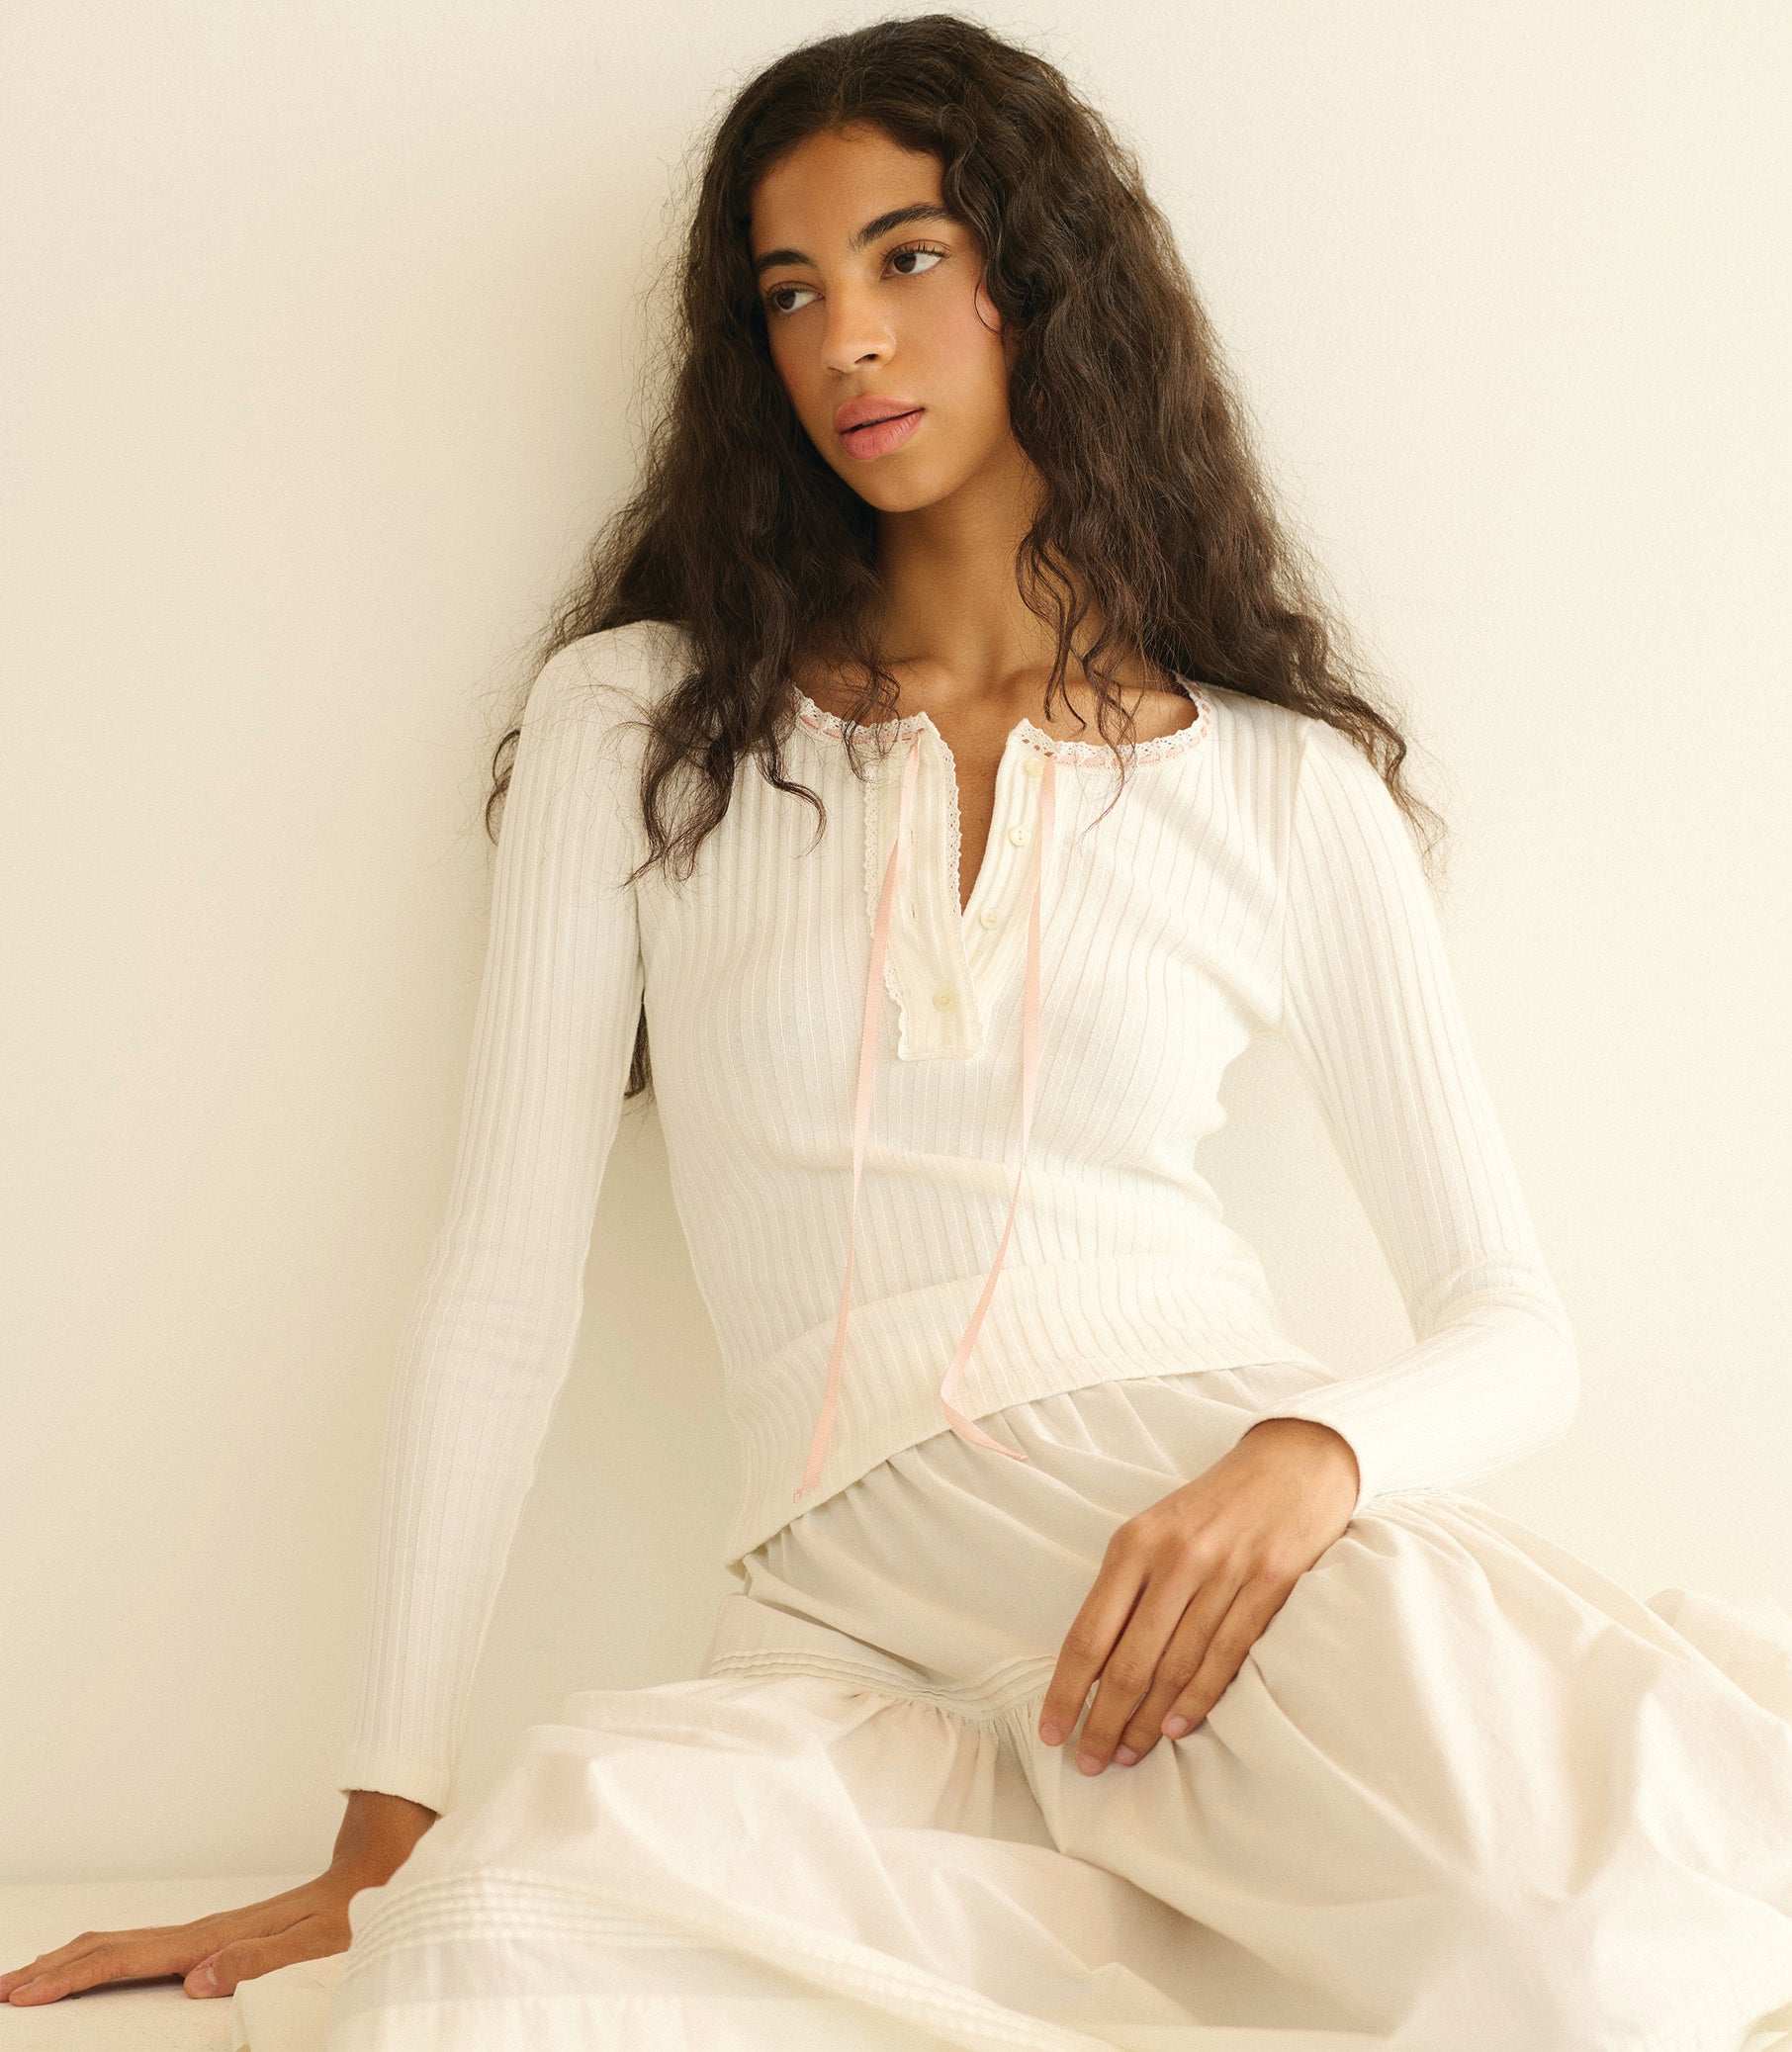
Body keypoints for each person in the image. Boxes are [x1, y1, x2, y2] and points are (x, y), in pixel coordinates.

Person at [9, 15, 1792, 2046]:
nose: (845, 335)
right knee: (494, 1957)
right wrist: (373, 1834)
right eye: (790, 292)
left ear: (1046, 286)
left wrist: (1311, 1458)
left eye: (907, 257)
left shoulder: (1283, 785)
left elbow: (1510, 1314)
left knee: (1566, 1961)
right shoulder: (643, 727)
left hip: (1192, 1562)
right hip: (847, 1625)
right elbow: (502, 1289)